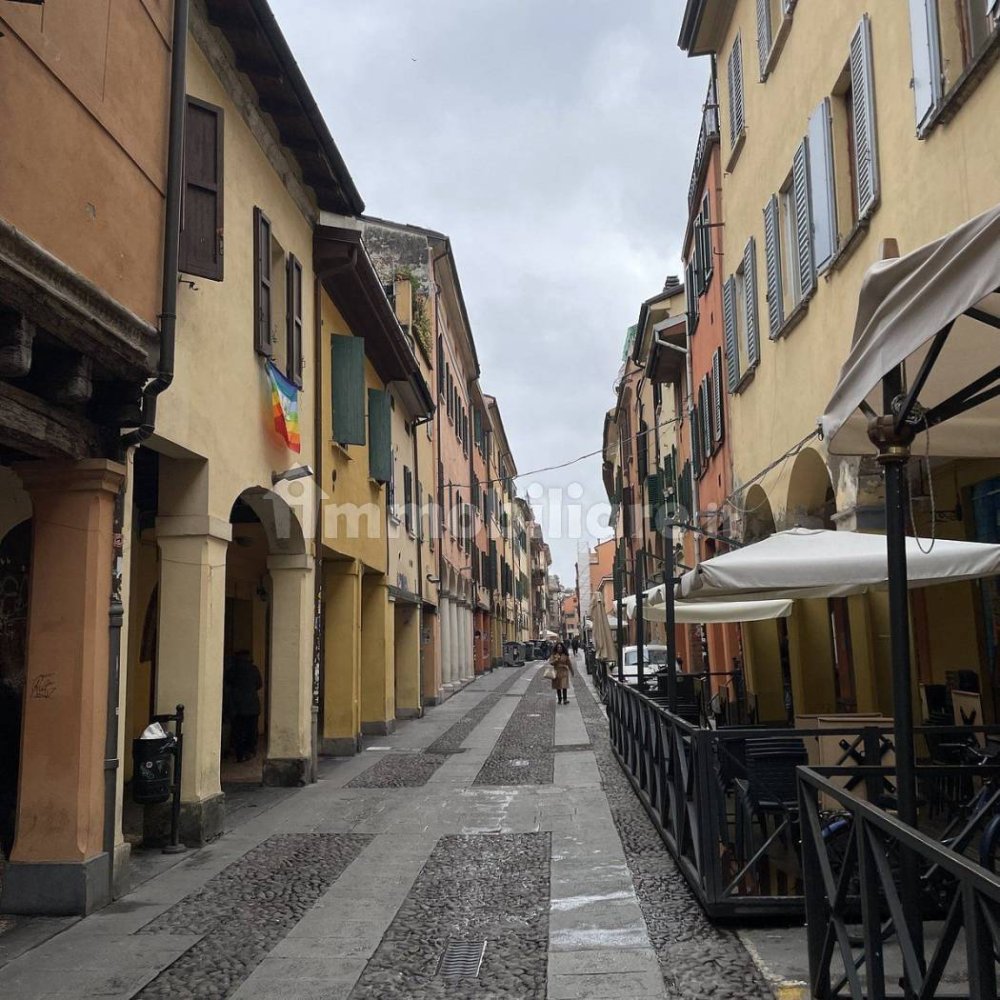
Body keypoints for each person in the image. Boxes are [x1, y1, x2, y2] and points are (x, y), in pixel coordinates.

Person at [228, 650, 262, 762]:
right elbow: (259, 684)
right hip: (252, 705)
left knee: (238, 730)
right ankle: (250, 751)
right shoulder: (254, 669)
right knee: (251, 730)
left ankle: (240, 753)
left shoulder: (233, 670)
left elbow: (227, 682)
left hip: (238, 706)